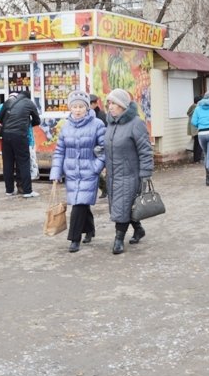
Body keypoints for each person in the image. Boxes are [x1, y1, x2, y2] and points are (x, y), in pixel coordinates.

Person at [49, 91, 106, 253]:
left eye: (81, 106)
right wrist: (56, 173)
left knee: (79, 203)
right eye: (74, 106)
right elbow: (60, 151)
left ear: (87, 108)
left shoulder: (97, 125)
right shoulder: (66, 127)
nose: (78, 109)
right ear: (70, 108)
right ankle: (89, 229)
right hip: (72, 172)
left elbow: (103, 150)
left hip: (89, 171)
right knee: (80, 201)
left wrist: (96, 167)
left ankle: (74, 239)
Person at [104, 88, 154, 255]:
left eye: (114, 103)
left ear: (123, 106)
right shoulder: (111, 123)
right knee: (124, 207)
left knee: (122, 207)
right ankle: (138, 229)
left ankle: (119, 239)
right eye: (109, 103)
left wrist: (146, 173)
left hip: (130, 174)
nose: (110, 107)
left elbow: (145, 150)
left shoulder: (136, 123)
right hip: (113, 174)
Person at [0, 88, 41, 197]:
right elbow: (37, 120)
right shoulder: (29, 103)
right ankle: (27, 191)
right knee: (23, 162)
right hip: (20, 135)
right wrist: (28, 121)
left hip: (6, 135)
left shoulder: (9, 101)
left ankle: (9, 190)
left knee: (7, 162)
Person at [90, 93, 108, 199]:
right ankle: (104, 187)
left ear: (96, 104)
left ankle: (106, 187)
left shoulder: (101, 115)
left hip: (100, 146)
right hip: (92, 146)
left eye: (91, 103)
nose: (90, 105)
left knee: (100, 169)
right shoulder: (87, 115)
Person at [186, 94, 202, 163]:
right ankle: (198, 158)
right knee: (199, 144)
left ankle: (196, 158)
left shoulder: (192, 107)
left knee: (196, 143)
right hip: (197, 128)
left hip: (193, 128)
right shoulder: (197, 108)